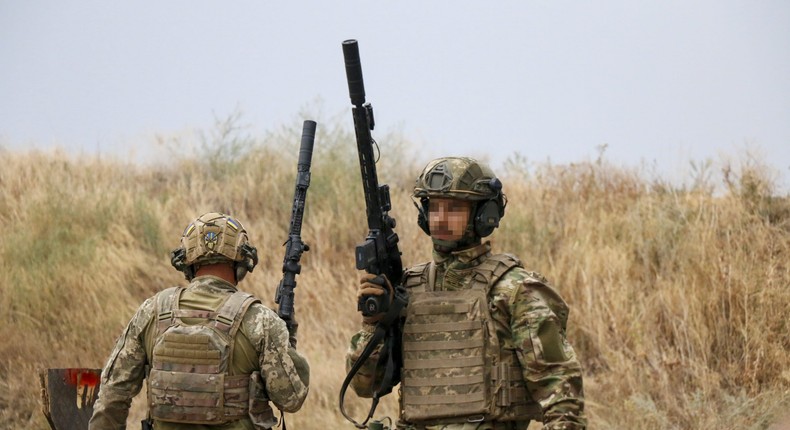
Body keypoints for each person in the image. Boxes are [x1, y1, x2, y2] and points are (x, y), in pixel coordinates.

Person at [347, 157, 586, 430]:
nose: (440, 219)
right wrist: (373, 323)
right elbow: (365, 386)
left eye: (454, 209)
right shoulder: (407, 290)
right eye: (434, 208)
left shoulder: (515, 289)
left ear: (485, 216)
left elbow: (560, 388)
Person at [90, 212, 309, 430]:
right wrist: (286, 338)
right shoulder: (260, 321)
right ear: (241, 259)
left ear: (186, 260)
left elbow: (113, 393)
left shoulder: (152, 312)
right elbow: (291, 398)